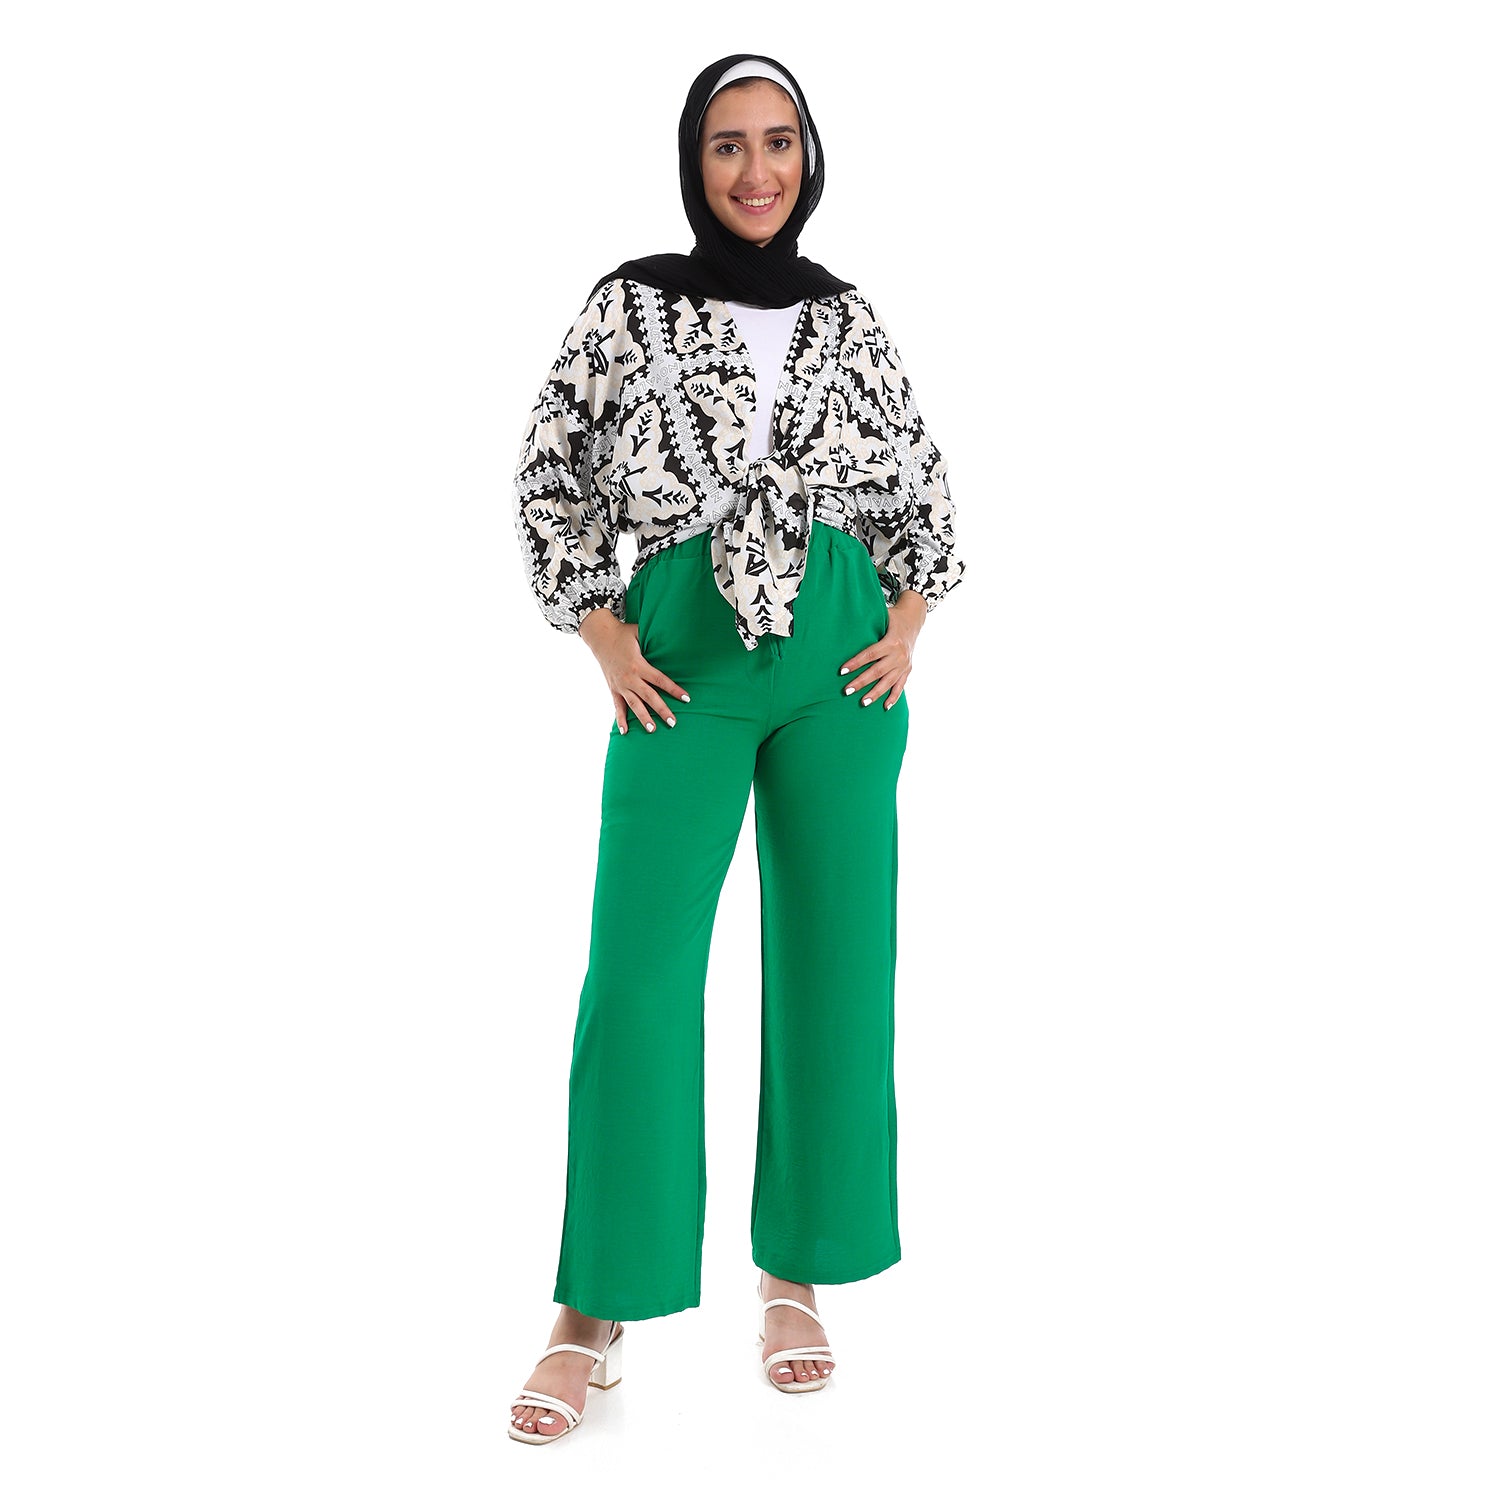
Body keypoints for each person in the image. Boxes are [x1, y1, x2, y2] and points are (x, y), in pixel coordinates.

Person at [507, 52, 964, 1445]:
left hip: (841, 658)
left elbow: (922, 487)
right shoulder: (631, 303)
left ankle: (796, 1275)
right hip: (681, 656)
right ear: (692, 161)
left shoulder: (848, 317)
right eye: (727, 145)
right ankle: (593, 1308)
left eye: (778, 142)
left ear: (808, 157)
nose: (755, 171)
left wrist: (904, 625)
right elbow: (548, 471)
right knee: (639, 978)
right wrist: (603, 633)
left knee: (837, 967)